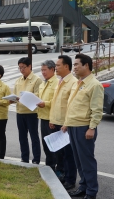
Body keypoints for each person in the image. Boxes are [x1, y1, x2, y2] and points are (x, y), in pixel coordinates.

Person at [63, 54, 104, 199]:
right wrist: (67, 123)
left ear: (86, 65)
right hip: (73, 126)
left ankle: (91, 192)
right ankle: (83, 186)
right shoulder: (77, 83)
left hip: (84, 127)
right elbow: (73, 105)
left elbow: (97, 109)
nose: (74, 67)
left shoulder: (94, 85)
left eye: (76, 65)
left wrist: (92, 127)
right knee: (78, 160)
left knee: (87, 160)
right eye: (73, 65)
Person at [49, 55, 78, 190]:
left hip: (66, 125)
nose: (56, 68)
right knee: (60, 153)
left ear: (66, 66)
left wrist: (66, 123)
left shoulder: (73, 82)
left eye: (58, 65)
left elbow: (71, 106)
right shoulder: (60, 81)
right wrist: (52, 119)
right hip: (57, 122)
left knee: (69, 154)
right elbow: (56, 102)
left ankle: (70, 180)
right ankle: (63, 176)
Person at [13, 57, 42, 164]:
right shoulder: (18, 80)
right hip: (20, 112)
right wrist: (12, 99)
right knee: (22, 137)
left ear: (30, 66)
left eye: (23, 67)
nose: (21, 70)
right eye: (20, 68)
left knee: (34, 136)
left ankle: (36, 159)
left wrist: (24, 98)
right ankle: (24, 158)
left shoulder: (36, 80)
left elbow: (38, 95)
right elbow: (16, 95)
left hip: (31, 113)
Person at [36, 60, 58, 170]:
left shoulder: (57, 83)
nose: (43, 72)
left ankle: (54, 168)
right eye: (41, 70)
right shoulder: (43, 83)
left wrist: (45, 103)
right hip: (42, 117)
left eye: (45, 70)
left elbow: (56, 101)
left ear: (52, 69)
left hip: (51, 118)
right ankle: (49, 166)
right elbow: (40, 96)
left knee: (53, 145)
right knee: (46, 144)